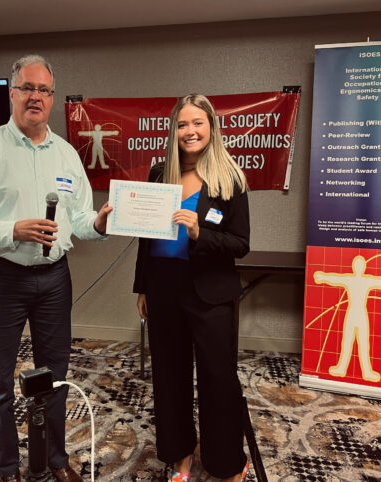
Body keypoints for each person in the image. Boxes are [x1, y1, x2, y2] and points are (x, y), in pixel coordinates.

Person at [0, 54, 111, 482]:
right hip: (0, 278)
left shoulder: (68, 155)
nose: (35, 96)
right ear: (12, 93)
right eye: (27, 88)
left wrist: (100, 223)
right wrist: (11, 230)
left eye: (44, 90)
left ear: (52, 98)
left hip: (55, 279)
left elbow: (77, 221)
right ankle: (8, 469)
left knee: (54, 377)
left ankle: (55, 459)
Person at [133, 94, 250, 482]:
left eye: (197, 123)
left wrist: (201, 233)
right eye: (182, 124)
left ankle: (225, 462)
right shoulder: (157, 173)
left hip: (210, 293)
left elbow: (240, 244)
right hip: (164, 290)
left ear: (211, 127)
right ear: (173, 131)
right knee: (169, 376)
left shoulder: (229, 178)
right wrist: (142, 288)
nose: (190, 131)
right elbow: (145, 239)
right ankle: (179, 454)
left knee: (218, 379)